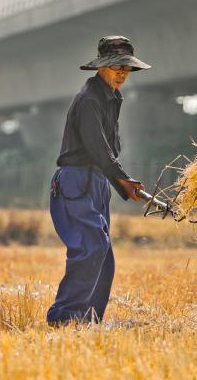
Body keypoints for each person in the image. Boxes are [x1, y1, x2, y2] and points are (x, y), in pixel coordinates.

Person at [46, 35, 151, 326]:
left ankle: (89, 321)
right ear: (102, 66)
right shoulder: (90, 100)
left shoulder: (111, 97)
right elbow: (98, 149)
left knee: (103, 256)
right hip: (76, 181)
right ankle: (64, 319)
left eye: (126, 68)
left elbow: (106, 152)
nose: (121, 73)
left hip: (98, 181)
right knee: (91, 246)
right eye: (116, 66)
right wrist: (124, 179)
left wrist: (119, 183)